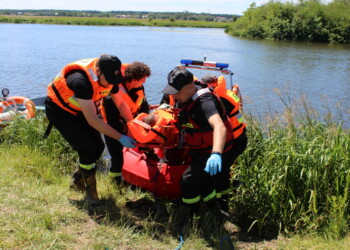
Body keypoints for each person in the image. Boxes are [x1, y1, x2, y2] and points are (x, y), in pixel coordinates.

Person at [45, 55, 136, 205]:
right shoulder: (81, 81)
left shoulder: (110, 77)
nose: (110, 84)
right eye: (107, 79)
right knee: (87, 148)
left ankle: (77, 179)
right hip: (60, 110)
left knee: (99, 147)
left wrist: (132, 125)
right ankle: (91, 194)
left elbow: (120, 103)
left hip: (81, 108)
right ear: (98, 71)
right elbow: (93, 120)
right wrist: (120, 137)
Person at [162, 68, 237, 230]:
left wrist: (216, 154)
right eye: (172, 92)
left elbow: (219, 127)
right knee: (201, 181)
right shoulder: (184, 96)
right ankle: (214, 213)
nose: (174, 96)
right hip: (199, 146)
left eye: (177, 92)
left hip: (214, 149)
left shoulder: (205, 102)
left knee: (187, 181)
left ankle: (190, 216)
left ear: (190, 87)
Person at [101, 61, 151, 184]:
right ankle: (115, 182)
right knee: (117, 157)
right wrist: (126, 131)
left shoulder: (139, 87)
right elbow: (112, 121)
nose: (144, 83)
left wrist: (144, 122)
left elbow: (144, 106)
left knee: (148, 148)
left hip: (134, 124)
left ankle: (147, 176)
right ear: (133, 80)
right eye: (142, 80)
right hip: (113, 128)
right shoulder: (111, 95)